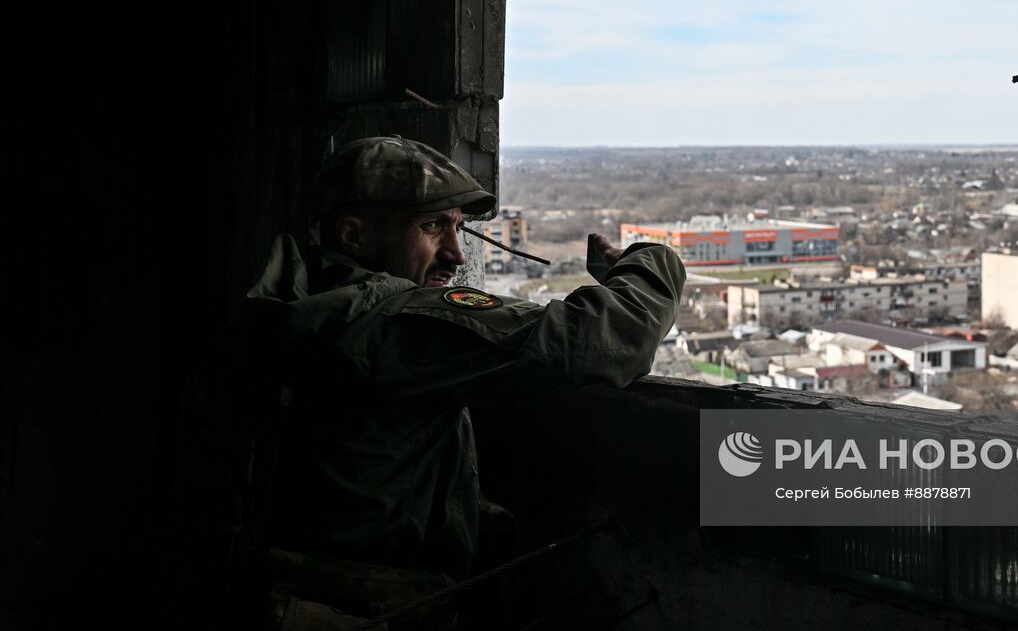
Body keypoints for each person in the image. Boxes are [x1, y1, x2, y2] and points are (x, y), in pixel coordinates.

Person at [236, 135, 685, 628]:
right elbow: (613, 336)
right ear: (354, 236)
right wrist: (646, 263)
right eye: (431, 227)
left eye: (457, 229)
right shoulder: (392, 325)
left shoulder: (300, 306)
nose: (454, 254)